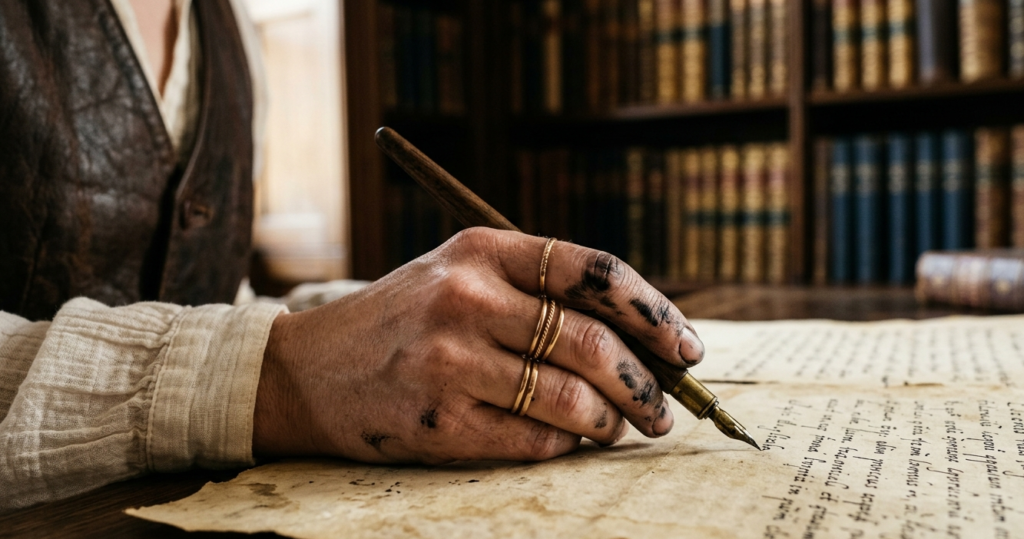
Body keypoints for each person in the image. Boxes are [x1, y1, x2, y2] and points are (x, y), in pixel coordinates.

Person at [0, 0, 706, 513]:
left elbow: (211, 291)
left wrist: (398, 324)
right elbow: (252, 350)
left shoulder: (231, 27)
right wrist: (282, 370)